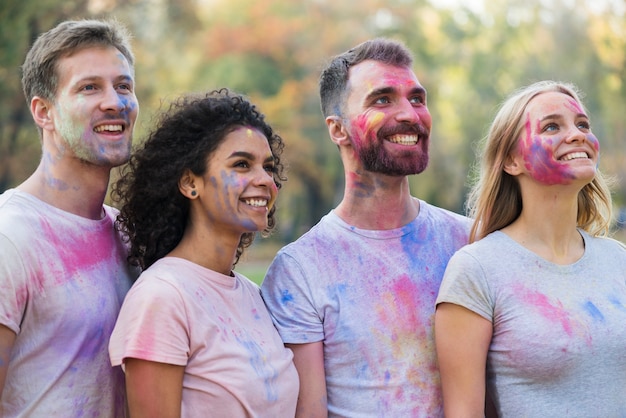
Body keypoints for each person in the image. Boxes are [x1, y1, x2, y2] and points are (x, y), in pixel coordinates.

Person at [260, 38, 471, 417]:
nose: (410, 114)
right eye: (382, 99)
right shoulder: (300, 270)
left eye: (417, 98)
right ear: (337, 129)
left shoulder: (470, 241)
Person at [435, 80, 626, 416]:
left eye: (583, 125)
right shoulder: (477, 269)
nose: (577, 134)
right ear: (512, 161)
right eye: (552, 126)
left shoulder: (618, 260)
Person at [108, 88, 299, 417]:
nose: (265, 180)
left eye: (267, 167)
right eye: (241, 165)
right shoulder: (163, 297)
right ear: (189, 183)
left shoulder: (253, 296)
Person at [0, 19, 139, 416]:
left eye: (124, 85)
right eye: (89, 87)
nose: (114, 101)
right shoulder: (10, 237)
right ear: (43, 111)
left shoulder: (128, 236)